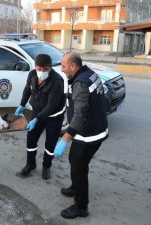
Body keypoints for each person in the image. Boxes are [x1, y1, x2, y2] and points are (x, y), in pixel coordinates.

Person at [54, 52, 108, 219]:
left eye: (63, 66)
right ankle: (75, 187)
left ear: (72, 66)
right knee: (74, 160)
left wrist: (65, 139)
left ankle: (81, 207)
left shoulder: (80, 83)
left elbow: (80, 115)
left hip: (89, 135)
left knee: (79, 168)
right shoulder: (89, 74)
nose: (61, 69)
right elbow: (102, 99)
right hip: (92, 129)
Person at [15, 54, 66, 180]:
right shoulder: (32, 74)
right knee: (31, 139)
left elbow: (52, 105)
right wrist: (22, 104)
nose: (42, 72)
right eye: (39, 69)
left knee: (50, 144)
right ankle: (30, 164)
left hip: (54, 116)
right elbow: (27, 90)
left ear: (50, 67)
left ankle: (46, 167)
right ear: (35, 67)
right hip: (37, 113)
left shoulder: (57, 81)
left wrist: (36, 119)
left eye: (45, 70)